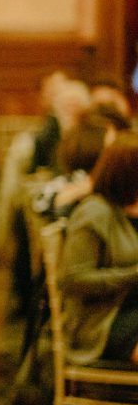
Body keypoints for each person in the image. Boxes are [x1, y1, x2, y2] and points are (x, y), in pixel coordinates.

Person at [58, 131, 138, 366]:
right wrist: (133, 276)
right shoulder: (95, 212)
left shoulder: (131, 206)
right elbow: (73, 280)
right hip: (101, 319)